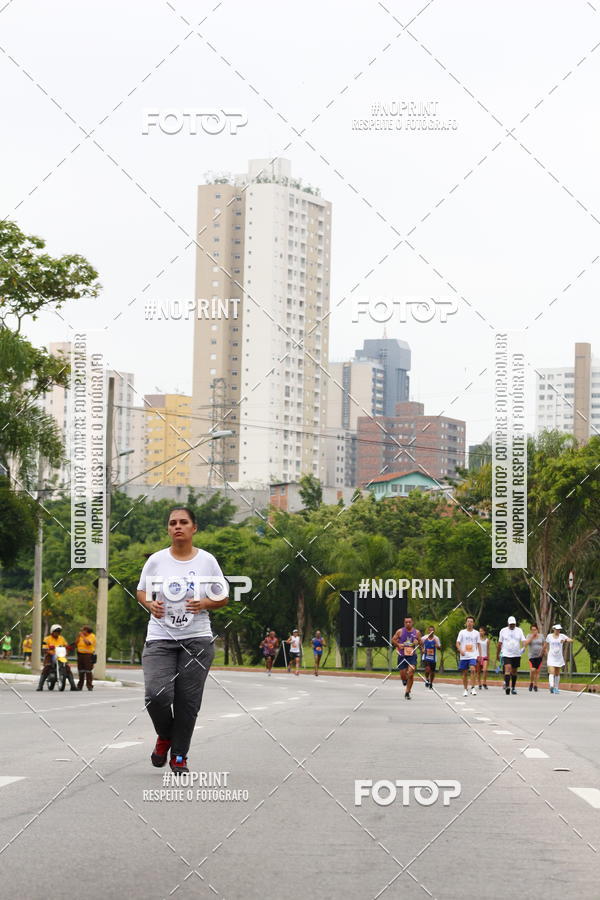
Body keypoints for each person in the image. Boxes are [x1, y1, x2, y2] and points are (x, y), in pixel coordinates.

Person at [136, 507, 228, 775]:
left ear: (194, 528)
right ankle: (165, 735)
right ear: (168, 529)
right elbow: (141, 590)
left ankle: (179, 754)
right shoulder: (156, 560)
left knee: (188, 701)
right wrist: (149, 604)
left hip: (197, 638)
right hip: (160, 637)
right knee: (156, 695)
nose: (178, 526)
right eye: (173, 523)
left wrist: (205, 603)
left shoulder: (207, 561)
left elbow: (223, 598)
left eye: (183, 522)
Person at [36, 624, 77, 691]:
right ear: (52, 632)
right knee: (47, 668)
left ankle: (73, 686)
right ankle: (40, 686)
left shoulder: (62, 638)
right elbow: (44, 648)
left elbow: (66, 645)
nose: (57, 633)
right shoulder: (47, 639)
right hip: (50, 655)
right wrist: (48, 649)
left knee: (67, 668)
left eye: (59, 632)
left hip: (61, 656)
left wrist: (68, 648)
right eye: (56, 631)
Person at [392, 616, 422, 699]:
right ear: (404, 623)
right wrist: (398, 645)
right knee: (403, 674)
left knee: (411, 673)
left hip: (412, 656)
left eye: (409, 622)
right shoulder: (400, 631)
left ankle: (407, 692)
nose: (408, 623)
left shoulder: (417, 632)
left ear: (412, 623)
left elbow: (420, 642)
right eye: (406, 622)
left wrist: (418, 644)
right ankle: (404, 680)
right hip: (402, 655)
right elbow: (393, 640)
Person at [497, 616, 526, 695]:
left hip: (516, 654)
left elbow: (523, 640)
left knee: (514, 672)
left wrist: (524, 647)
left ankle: (513, 687)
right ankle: (507, 686)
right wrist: (498, 654)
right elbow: (500, 643)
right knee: (507, 669)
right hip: (506, 653)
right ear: (508, 624)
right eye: (511, 624)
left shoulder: (519, 630)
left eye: (513, 624)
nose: (512, 626)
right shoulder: (503, 631)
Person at [545, 624, 574, 694]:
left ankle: (556, 688)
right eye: (557, 629)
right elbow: (545, 645)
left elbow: (571, 640)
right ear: (553, 629)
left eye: (559, 629)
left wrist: (565, 641)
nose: (558, 631)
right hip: (551, 657)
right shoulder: (549, 636)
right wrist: (546, 652)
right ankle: (551, 686)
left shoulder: (562, 636)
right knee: (551, 671)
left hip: (559, 657)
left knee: (557, 673)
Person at [456, 616, 480, 696]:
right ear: (466, 623)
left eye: (471, 621)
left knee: (473, 669)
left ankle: (473, 688)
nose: (469, 623)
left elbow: (478, 644)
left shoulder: (476, 633)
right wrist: (460, 650)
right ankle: (465, 689)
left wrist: (479, 655)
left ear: (473, 623)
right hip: (464, 656)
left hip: (473, 655)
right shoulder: (462, 632)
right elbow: (457, 643)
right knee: (465, 673)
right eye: (468, 621)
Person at [524, 624, 544, 692]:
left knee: (537, 671)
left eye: (535, 630)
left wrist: (545, 652)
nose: (534, 631)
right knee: (533, 670)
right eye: (532, 630)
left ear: (537, 630)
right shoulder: (529, 636)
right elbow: (525, 644)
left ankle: (535, 685)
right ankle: (531, 682)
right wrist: (532, 637)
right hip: (531, 656)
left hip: (539, 656)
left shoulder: (541, 636)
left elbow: (544, 645)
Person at [76, 626, 96, 691]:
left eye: (83, 630)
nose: (81, 632)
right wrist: (78, 637)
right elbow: (76, 643)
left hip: (88, 656)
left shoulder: (92, 636)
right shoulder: (81, 636)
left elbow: (88, 643)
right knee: (81, 671)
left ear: (86, 631)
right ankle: (79, 686)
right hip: (80, 655)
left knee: (88, 671)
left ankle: (89, 686)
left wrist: (82, 636)